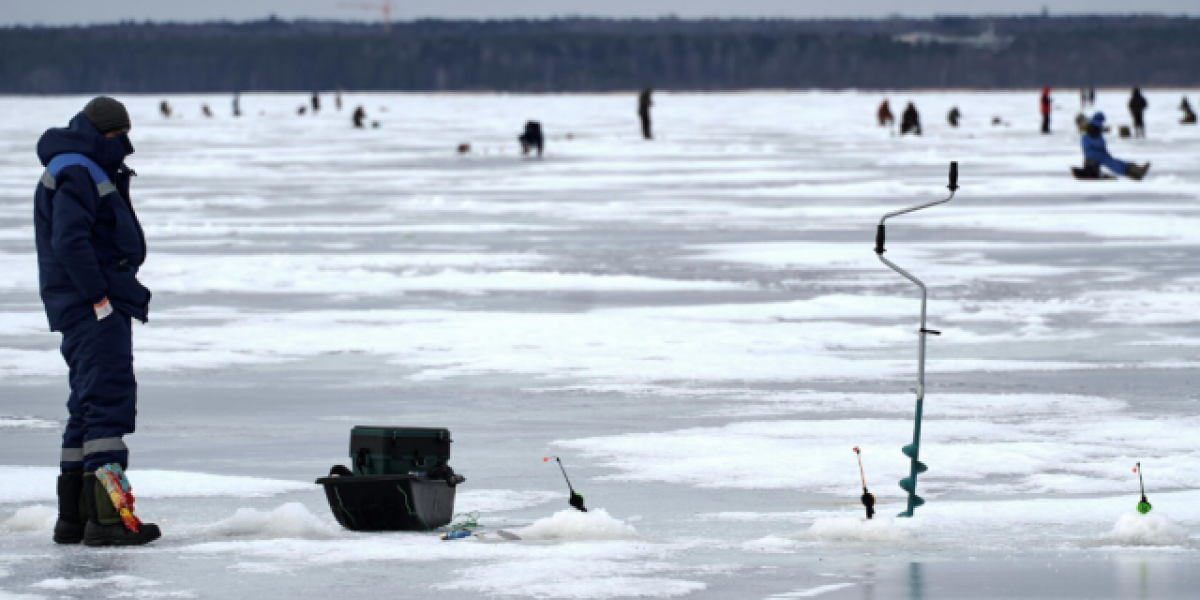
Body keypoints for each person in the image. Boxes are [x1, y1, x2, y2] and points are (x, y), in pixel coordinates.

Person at [34, 97, 162, 547]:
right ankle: (108, 521)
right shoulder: (78, 169)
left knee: (86, 407)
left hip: (83, 303)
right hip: (93, 305)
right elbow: (69, 242)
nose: (124, 144)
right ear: (102, 133)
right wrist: (99, 297)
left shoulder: (80, 165)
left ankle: (75, 518)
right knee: (107, 401)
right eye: (118, 135)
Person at [1080, 112, 1149, 180]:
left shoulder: (1092, 124)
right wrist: (1102, 143)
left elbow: (1091, 134)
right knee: (1115, 165)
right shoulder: (1095, 126)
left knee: (1117, 163)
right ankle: (1136, 173)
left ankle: (1137, 172)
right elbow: (1097, 141)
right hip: (1096, 154)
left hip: (1092, 153)